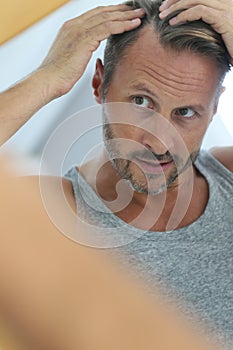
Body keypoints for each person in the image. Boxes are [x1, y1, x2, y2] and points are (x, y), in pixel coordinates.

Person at [0, 0, 233, 347]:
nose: (158, 141)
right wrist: (48, 78)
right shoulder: (53, 213)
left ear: (214, 109)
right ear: (100, 84)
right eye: (141, 102)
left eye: (186, 112)